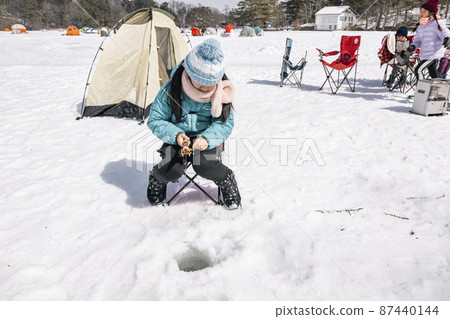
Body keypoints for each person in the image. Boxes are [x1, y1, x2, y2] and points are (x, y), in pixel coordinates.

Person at [146, 39, 241, 209]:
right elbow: (155, 119)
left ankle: (226, 179)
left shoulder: (221, 92)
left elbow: (224, 124)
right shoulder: (171, 89)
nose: (206, 87)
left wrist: (207, 139)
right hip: (176, 137)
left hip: (206, 137)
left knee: (203, 164)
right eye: (201, 82)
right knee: (172, 169)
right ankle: (157, 178)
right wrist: (176, 135)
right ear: (189, 73)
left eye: (210, 84)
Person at [407, 0, 450, 81]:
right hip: (425, 55)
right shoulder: (421, 26)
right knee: (433, 74)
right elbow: (417, 39)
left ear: (431, 13)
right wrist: (413, 46)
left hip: (433, 54)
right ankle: (437, 91)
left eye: (424, 11)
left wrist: (447, 38)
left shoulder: (436, 24)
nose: (422, 13)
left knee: (418, 70)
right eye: (421, 11)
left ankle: (420, 91)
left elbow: (445, 33)